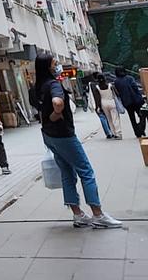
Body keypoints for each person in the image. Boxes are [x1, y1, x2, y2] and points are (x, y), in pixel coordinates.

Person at [35, 51, 122, 229]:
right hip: (63, 134)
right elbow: (58, 103)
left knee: (67, 173)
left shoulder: (36, 87)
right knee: (86, 171)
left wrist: (49, 118)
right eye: (54, 63)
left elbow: (38, 109)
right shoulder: (54, 85)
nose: (57, 65)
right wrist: (55, 114)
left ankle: (78, 214)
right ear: (49, 66)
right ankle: (98, 214)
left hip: (48, 135)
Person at [113, 68, 146, 138]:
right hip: (136, 100)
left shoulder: (116, 82)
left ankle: (137, 133)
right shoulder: (130, 78)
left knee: (132, 118)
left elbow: (118, 93)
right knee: (141, 116)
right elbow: (135, 87)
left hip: (127, 102)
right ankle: (141, 128)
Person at [88, 74, 116, 139]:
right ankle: (113, 131)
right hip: (105, 101)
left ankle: (108, 133)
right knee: (109, 118)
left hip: (96, 103)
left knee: (102, 118)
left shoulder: (91, 85)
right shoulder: (104, 84)